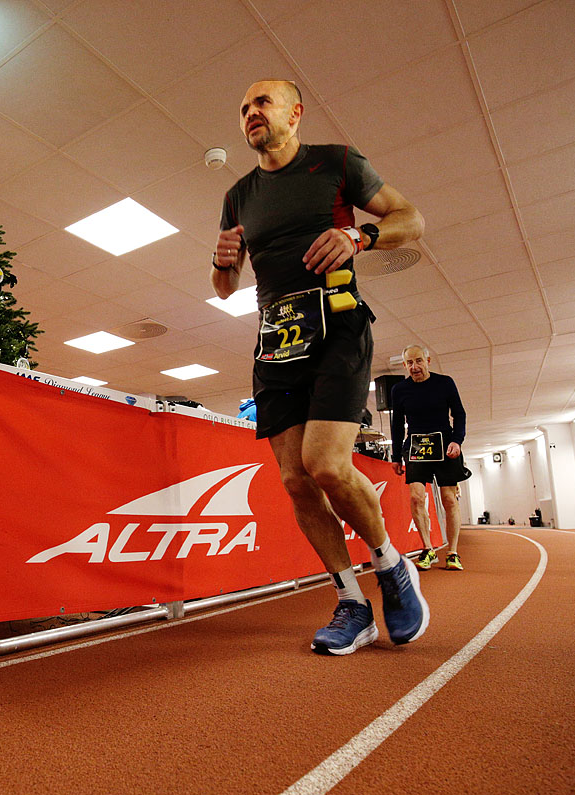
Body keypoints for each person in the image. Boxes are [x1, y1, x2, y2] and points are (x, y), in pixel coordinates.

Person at [210, 79, 427, 656]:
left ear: (296, 113)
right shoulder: (237, 195)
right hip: (276, 341)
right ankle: (351, 601)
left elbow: (410, 219)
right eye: (243, 107)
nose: (251, 112)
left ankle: (390, 565)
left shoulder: (335, 163)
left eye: (263, 102)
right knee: (294, 481)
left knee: (326, 464)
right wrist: (222, 264)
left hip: (337, 326)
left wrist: (359, 235)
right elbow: (225, 284)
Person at [390, 345, 468, 571]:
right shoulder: (399, 390)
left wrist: (457, 441)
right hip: (416, 446)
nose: (414, 367)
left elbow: (459, 413)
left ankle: (452, 553)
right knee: (416, 497)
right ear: (404, 365)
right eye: (409, 363)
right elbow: (397, 425)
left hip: (445, 445)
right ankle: (428, 549)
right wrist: (396, 456)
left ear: (428, 361)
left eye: (418, 361)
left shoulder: (445, 383)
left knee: (449, 499)